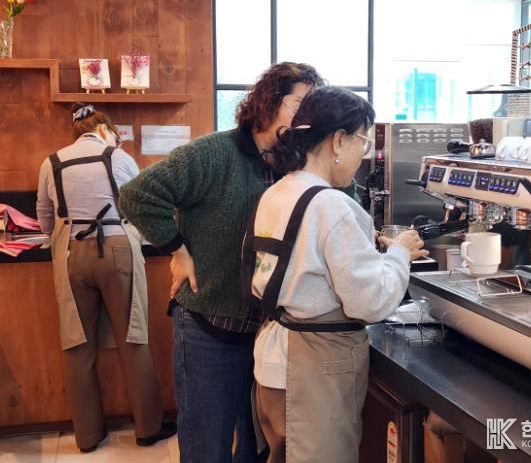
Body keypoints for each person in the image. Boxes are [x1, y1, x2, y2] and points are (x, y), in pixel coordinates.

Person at [118, 62, 325, 463]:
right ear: (269, 102)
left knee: (258, 446)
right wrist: (178, 250)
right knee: (206, 447)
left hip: (270, 333)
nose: (307, 116)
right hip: (208, 327)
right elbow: (137, 195)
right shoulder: (215, 153)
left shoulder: (297, 162)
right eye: (300, 104)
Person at [242, 86, 428, 463]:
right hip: (314, 368)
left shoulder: (277, 193)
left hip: (274, 360)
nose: (364, 155)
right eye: (362, 141)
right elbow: (370, 302)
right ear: (338, 141)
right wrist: (399, 254)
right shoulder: (333, 205)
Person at [36, 103, 176, 453]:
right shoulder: (118, 158)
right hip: (117, 250)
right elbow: (140, 204)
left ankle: (87, 436)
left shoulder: (51, 162)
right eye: (116, 135)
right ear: (103, 130)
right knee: (133, 336)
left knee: (77, 344)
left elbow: (44, 215)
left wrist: (60, 235)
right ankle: (147, 428)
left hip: (71, 254)